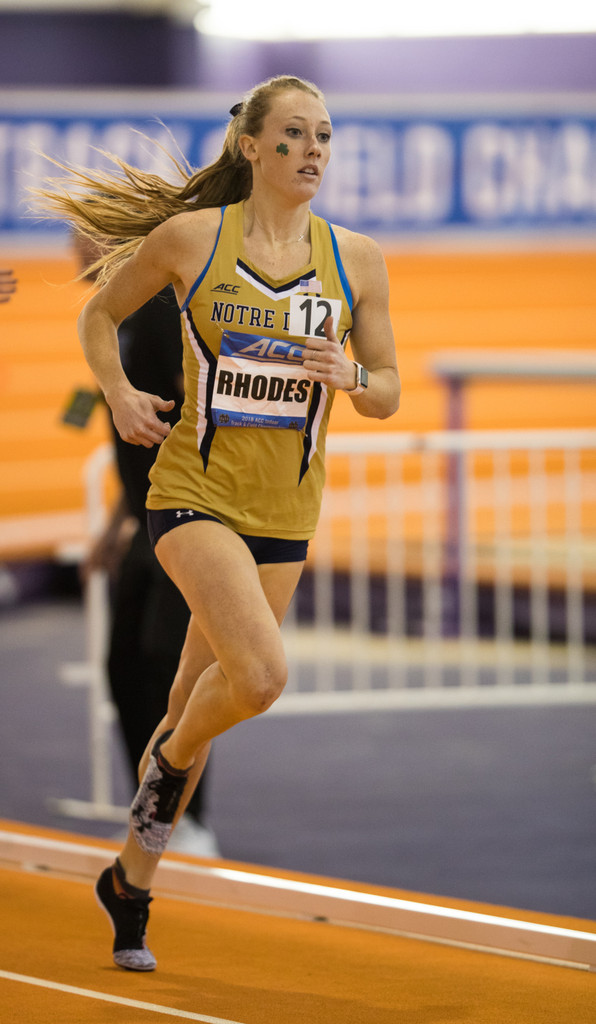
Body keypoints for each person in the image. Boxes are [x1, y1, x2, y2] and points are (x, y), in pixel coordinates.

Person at [35, 74, 400, 972]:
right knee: (259, 677)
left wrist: (352, 378)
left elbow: (388, 389)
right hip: (193, 495)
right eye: (294, 135)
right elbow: (97, 312)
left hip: (288, 510)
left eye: (324, 135)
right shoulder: (192, 239)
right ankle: (178, 751)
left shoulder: (357, 258)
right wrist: (117, 394)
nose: (312, 150)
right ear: (253, 147)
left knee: (196, 694)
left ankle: (129, 881)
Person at [74, 232, 219, 856]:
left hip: (183, 519)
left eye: (83, 244)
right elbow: (132, 437)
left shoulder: (160, 316)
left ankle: (189, 820)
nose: (73, 257)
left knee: (173, 671)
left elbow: (187, 418)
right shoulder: (116, 322)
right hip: (144, 523)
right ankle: (148, 813)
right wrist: (116, 525)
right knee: (123, 669)